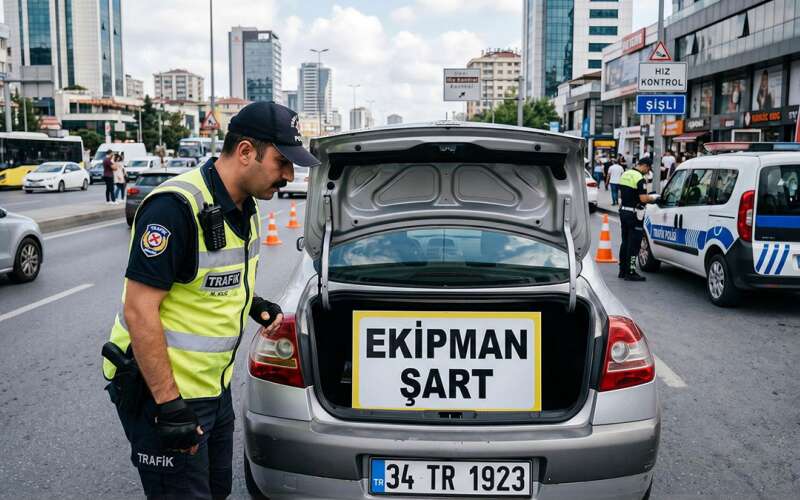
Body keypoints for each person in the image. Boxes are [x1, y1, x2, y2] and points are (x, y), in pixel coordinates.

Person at [101, 102, 321, 499]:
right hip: (164, 393)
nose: (290, 175)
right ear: (246, 152)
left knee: (216, 489)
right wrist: (169, 405)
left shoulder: (244, 206)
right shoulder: (174, 208)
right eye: (282, 162)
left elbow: (210, 279)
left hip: (213, 389)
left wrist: (253, 304)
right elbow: (139, 309)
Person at [617, 158, 660, 281]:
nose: (648, 171)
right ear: (645, 166)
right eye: (648, 168)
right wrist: (654, 198)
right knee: (634, 244)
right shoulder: (639, 178)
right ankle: (630, 272)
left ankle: (622, 271)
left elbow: (623, 194)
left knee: (625, 242)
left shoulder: (625, 174)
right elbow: (643, 199)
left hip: (623, 212)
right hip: (634, 215)